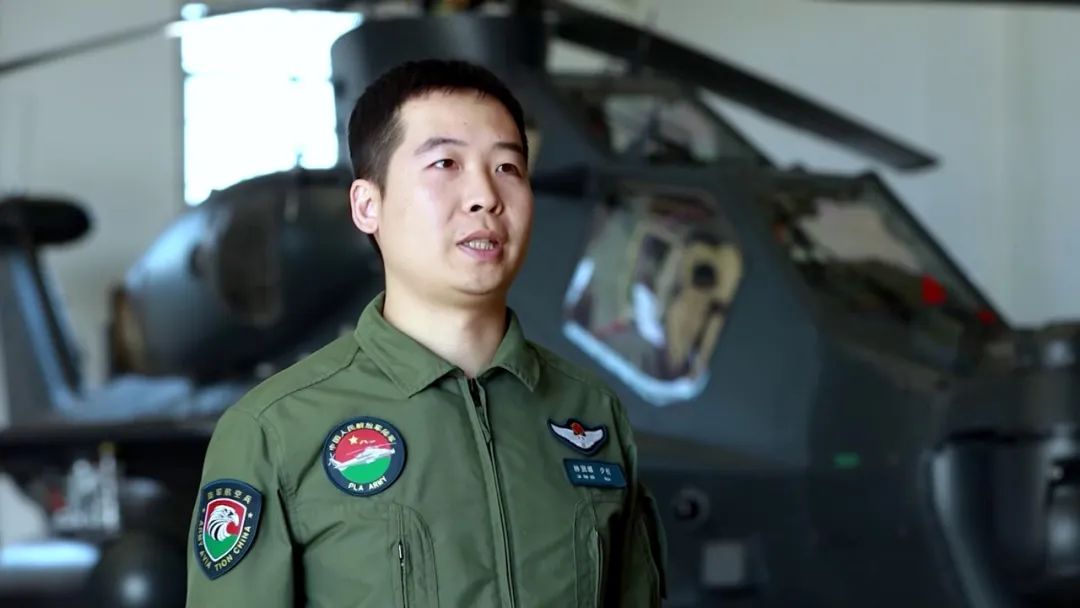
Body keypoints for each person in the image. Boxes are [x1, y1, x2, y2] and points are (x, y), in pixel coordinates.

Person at [185, 58, 667, 607]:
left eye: (508, 167)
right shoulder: (274, 430)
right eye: (445, 163)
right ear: (368, 205)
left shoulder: (593, 414)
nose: (485, 195)